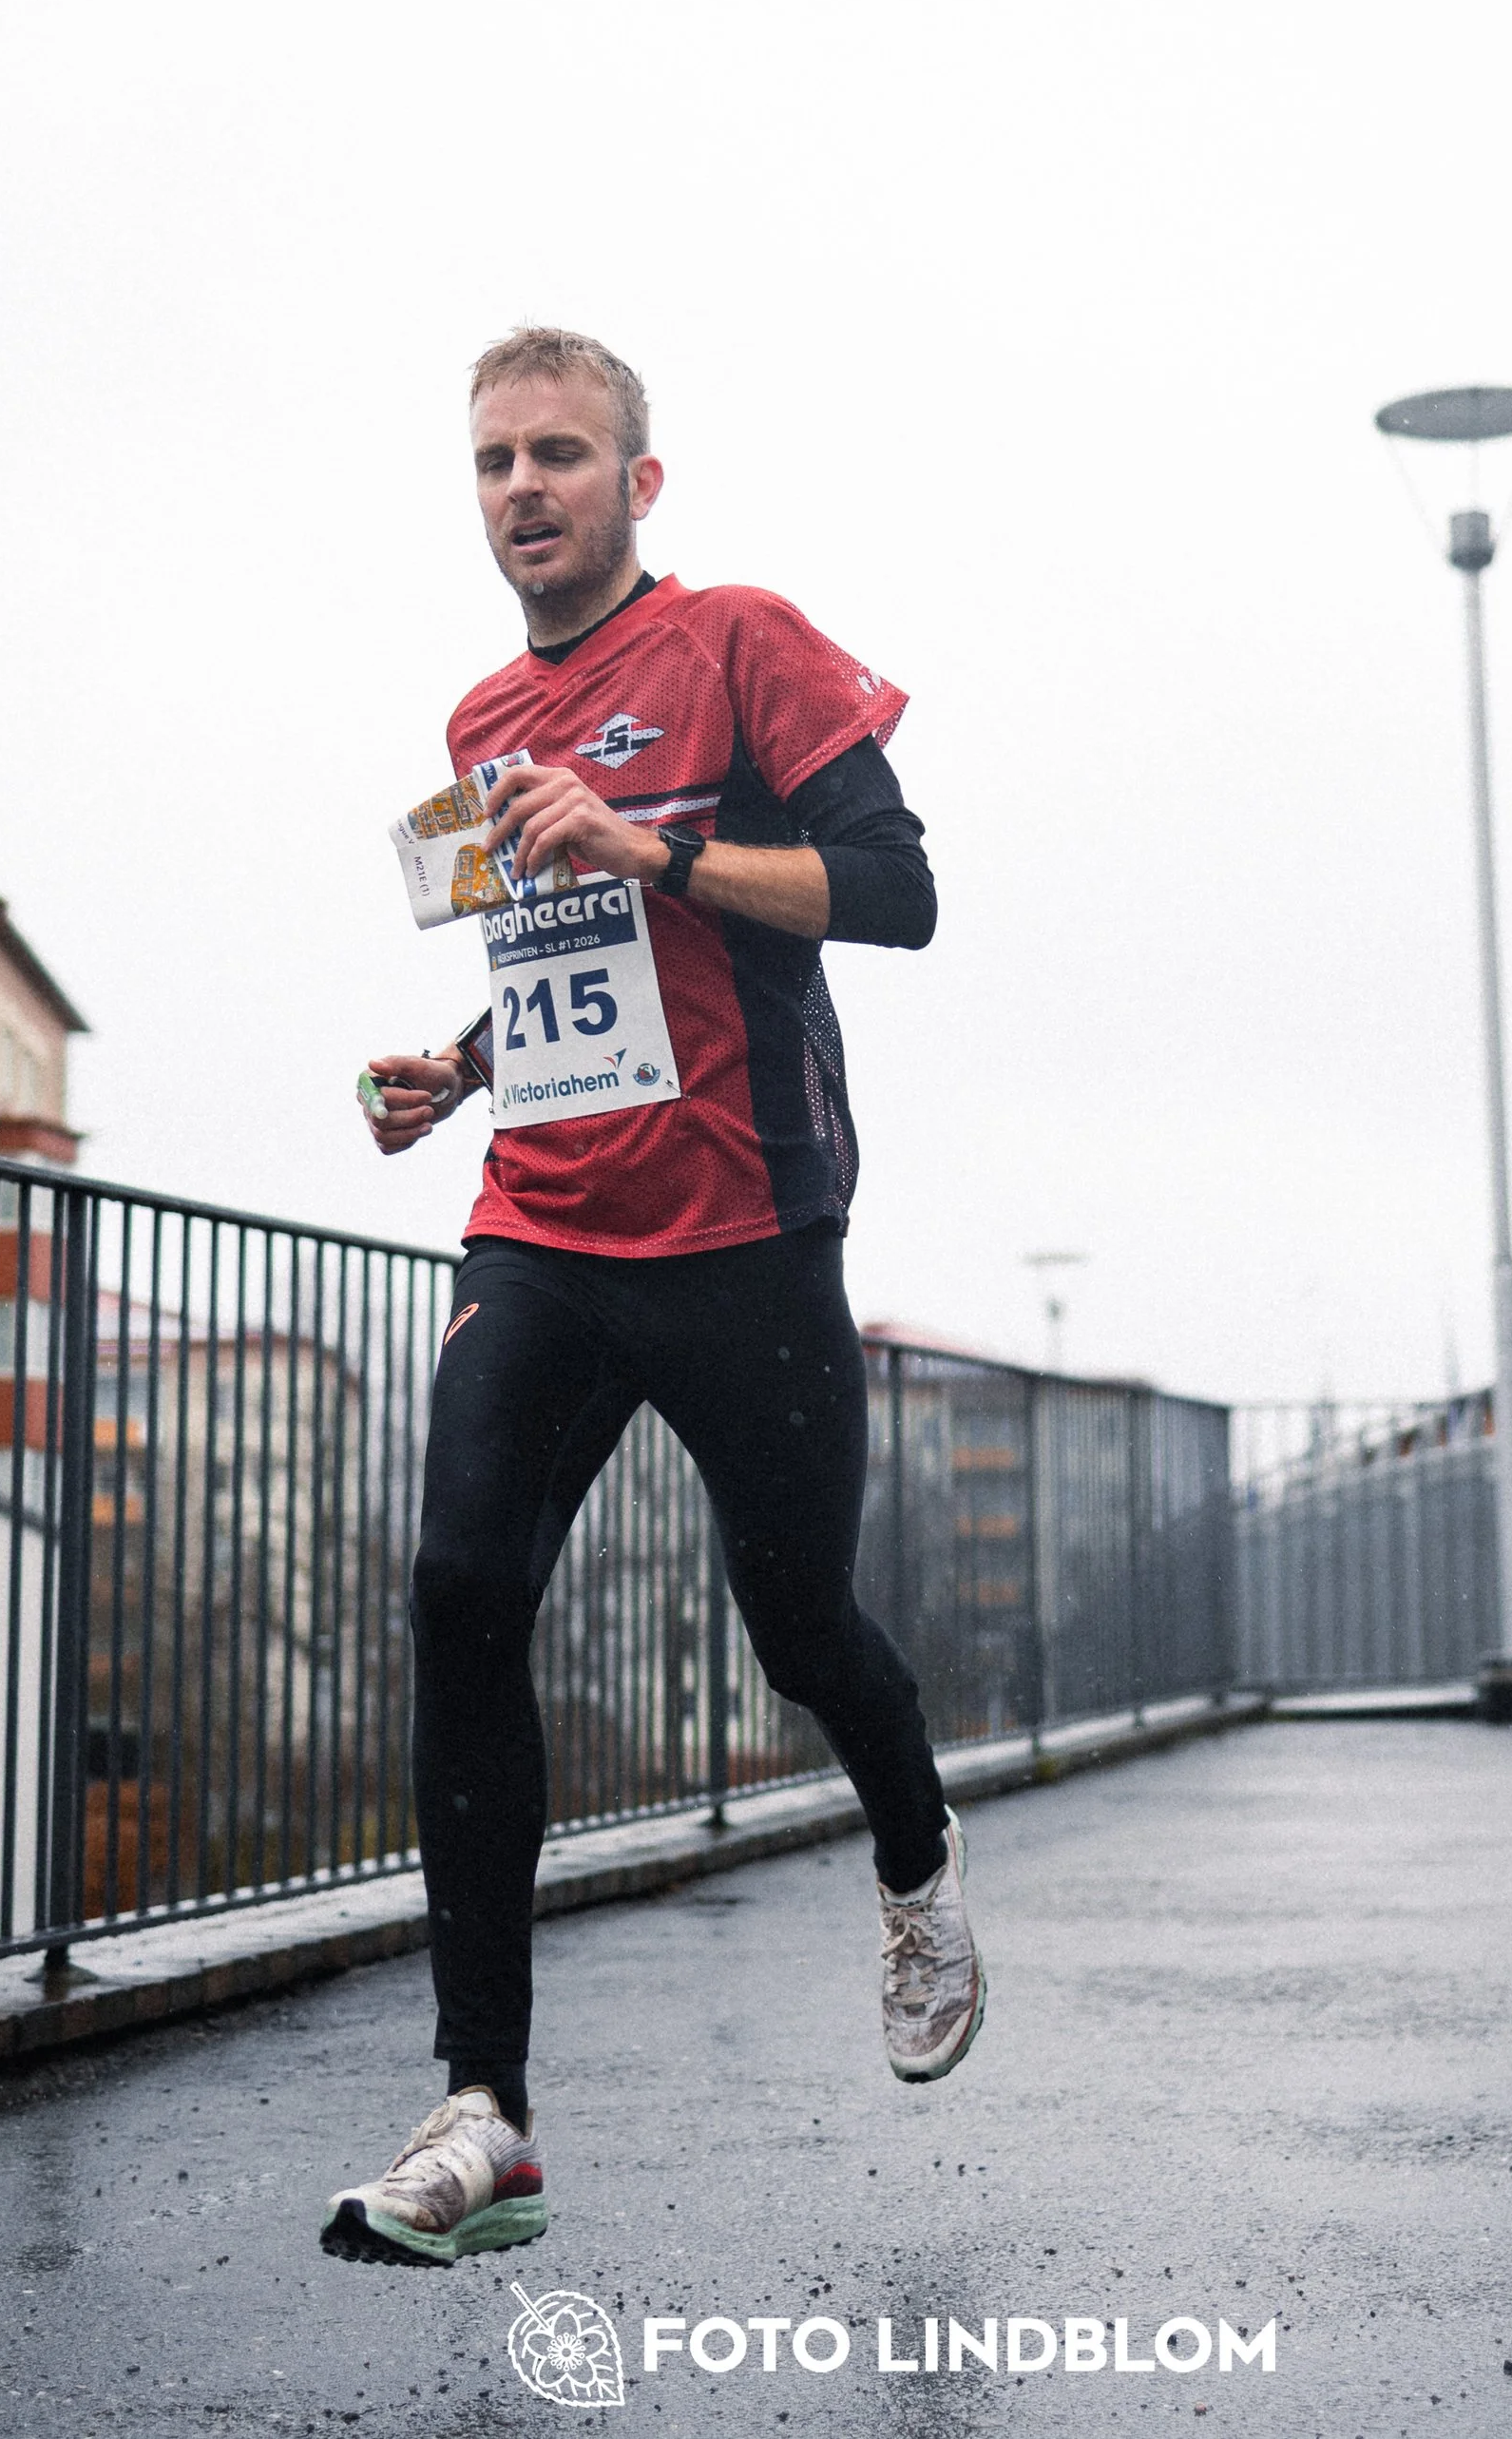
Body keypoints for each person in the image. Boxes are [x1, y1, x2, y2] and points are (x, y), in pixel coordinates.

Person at [320, 329, 985, 2270]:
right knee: (458, 1586)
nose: (521, 486)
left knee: (792, 1617)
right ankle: (485, 2109)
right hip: (542, 1220)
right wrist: (460, 1060)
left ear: (638, 478)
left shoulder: (740, 642)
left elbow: (898, 886)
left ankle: (918, 1857)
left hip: (743, 1228)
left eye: (558, 453)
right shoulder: (474, 715)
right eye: (492, 460)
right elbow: (567, 953)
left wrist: (655, 839)